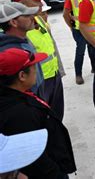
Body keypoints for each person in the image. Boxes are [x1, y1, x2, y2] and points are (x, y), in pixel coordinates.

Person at [0, 47, 76, 178]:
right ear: (22, 76)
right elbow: (35, 158)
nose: (37, 69)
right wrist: (57, 174)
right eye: (33, 66)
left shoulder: (18, 94)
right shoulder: (20, 114)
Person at [13, 0, 65, 121]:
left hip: (53, 76)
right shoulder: (17, 29)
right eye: (36, 1)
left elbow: (52, 46)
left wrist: (59, 70)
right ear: (22, 5)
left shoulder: (40, 20)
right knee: (42, 118)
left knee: (57, 115)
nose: (41, 3)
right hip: (37, 82)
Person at [0, 2, 44, 98]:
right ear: (13, 22)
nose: (32, 18)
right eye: (27, 15)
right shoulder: (11, 53)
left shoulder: (23, 41)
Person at [63, 0, 89, 85]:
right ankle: (78, 75)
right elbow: (65, 15)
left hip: (90, 28)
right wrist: (71, 26)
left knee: (93, 50)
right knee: (80, 51)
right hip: (79, 30)